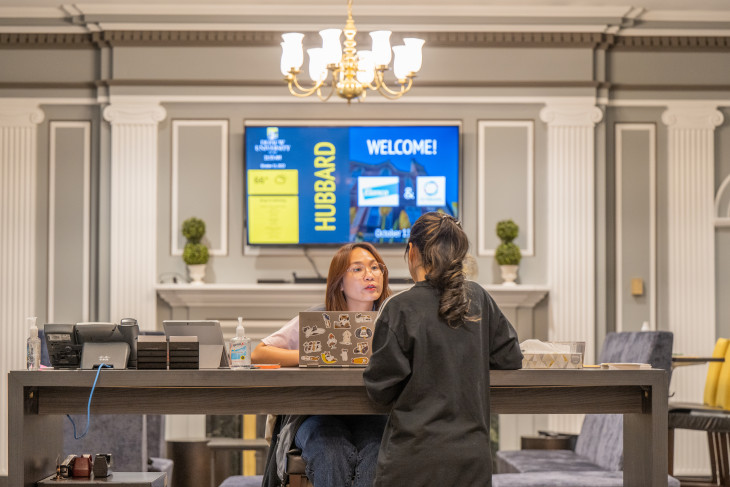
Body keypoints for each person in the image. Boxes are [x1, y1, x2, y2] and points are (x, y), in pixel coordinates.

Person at [363, 212, 523, 486]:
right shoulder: (479, 298)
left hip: (413, 461)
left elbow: (380, 390)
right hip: (472, 462)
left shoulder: (399, 307)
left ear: (412, 251)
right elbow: (510, 357)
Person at [253, 242, 392, 487]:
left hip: (374, 412)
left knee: (376, 452)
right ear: (339, 283)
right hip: (317, 414)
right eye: (357, 269)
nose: (370, 275)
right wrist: (312, 354)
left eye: (375, 267)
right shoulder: (318, 319)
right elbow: (259, 354)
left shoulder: (393, 320)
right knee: (329, 449)